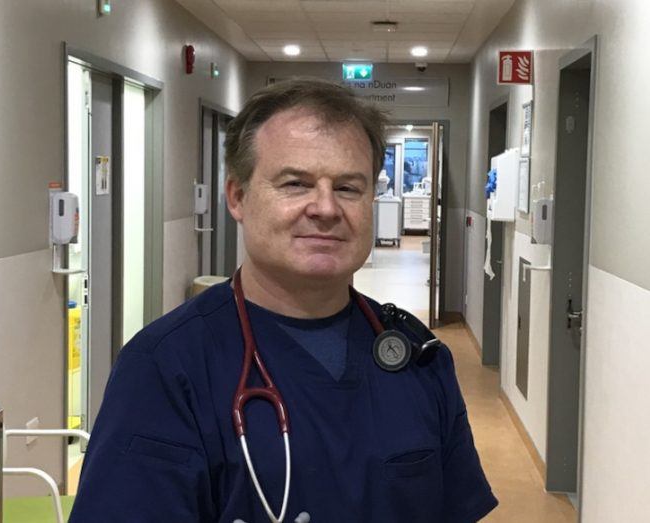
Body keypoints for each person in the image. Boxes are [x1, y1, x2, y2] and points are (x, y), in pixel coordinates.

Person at [69, 78, 497, 522]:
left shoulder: (415, 354)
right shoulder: (166, 367)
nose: (326, 208)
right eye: (296, 183)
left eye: (349, 188)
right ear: (237, 196)